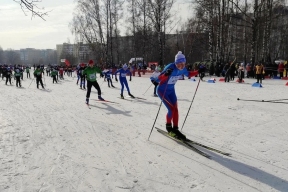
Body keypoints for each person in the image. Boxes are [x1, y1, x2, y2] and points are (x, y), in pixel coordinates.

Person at [156, 51, 198, 140]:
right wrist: (165, 74)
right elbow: (158, 79)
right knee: (171, 110)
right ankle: (168, 127)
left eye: (183, 64)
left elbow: (189, 74)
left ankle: (175, 129)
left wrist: (198, 71)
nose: (181, 67)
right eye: (179, 64)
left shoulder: (183, 69)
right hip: (162, 91)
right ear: (175, 63)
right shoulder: (170, 67)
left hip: (171, 91)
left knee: (176, 110)